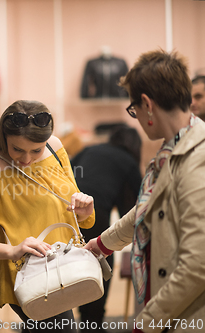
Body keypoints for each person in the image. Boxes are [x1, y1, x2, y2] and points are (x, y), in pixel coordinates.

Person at [85, 50, 205, 333]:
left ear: (147, 104)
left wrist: (147, 322)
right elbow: (145, 209)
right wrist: (101, 244)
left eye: (133, 108)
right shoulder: (173, 148)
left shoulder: (196, 158)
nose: (135, 116)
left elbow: (197, 263)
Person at [0, 100, 95, 333]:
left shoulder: (55, 148)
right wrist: (12, 250)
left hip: (65, 269)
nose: (27, 159)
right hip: (31, 278)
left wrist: (85, 210)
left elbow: (71, 202)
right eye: (17, 149)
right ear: (4, 138)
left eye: (35, 150)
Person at [71, 125, 142, 333]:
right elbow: (140, 204)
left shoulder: (90, 149)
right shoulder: (128, 162)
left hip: (68, 207)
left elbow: (66, 172)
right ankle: (92, 323)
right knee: (101, 261)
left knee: (66, 264)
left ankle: (50, 319)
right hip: (95, 211)